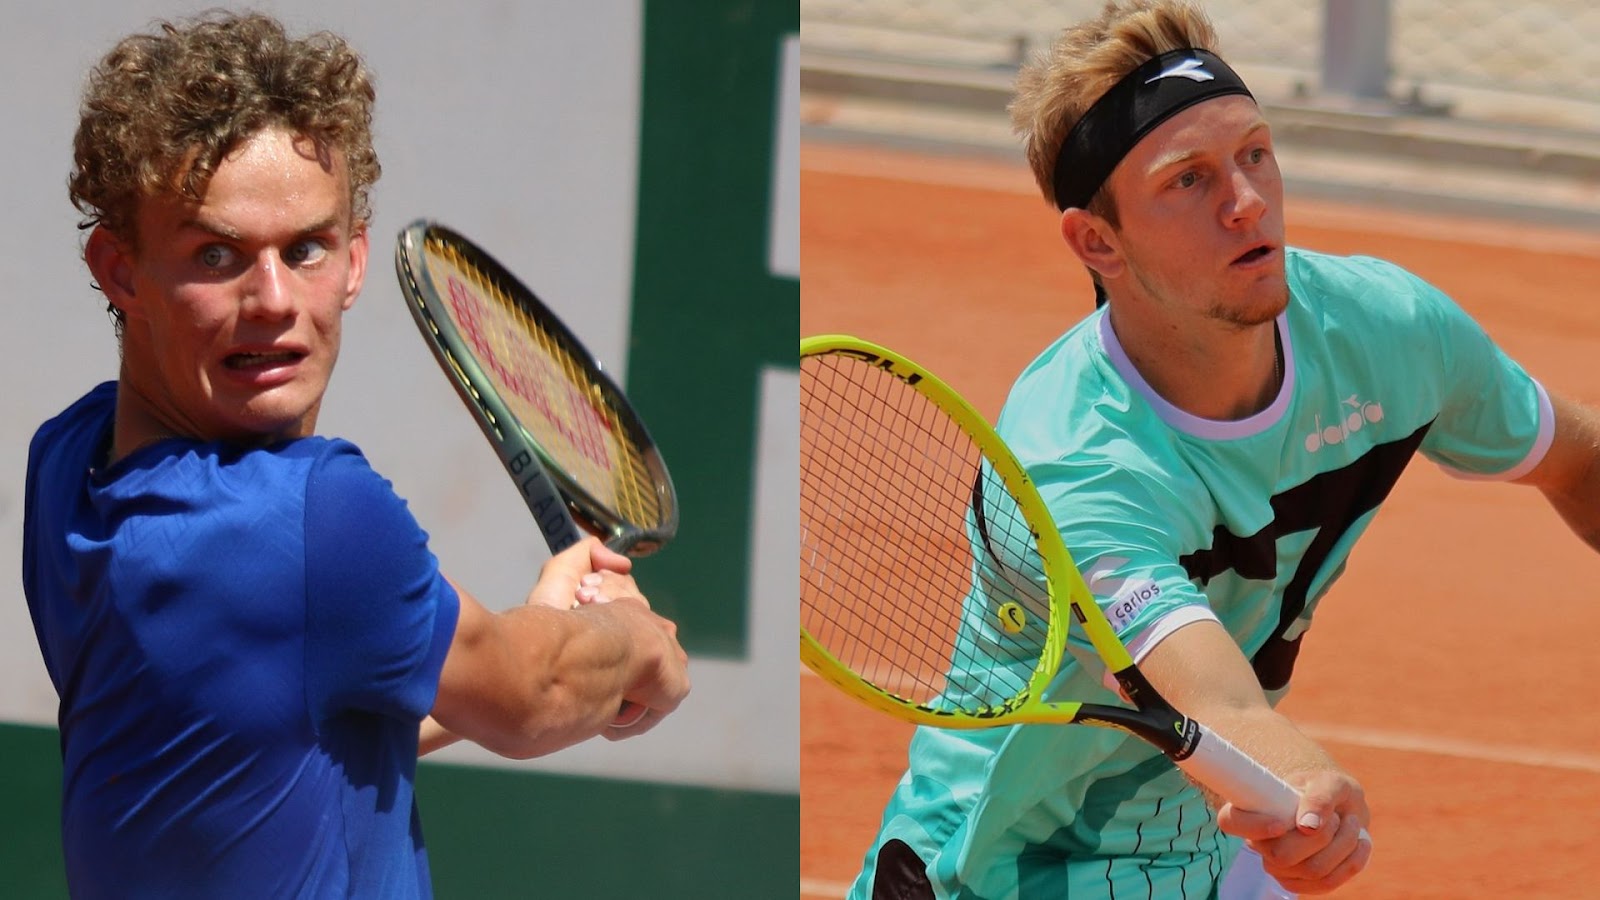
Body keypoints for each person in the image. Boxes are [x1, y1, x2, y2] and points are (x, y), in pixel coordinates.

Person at [848, 1, 1600, 898]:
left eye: (1254, 154)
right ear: (1098, 241)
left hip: (1197, 846)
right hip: (1006, 868)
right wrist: (1304, 781)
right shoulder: (1075, 461)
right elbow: (1216, 701)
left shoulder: (1388, 333)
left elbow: (1581, 460)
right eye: (1189, 180)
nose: (1247, 203)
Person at [20, 12, 690, 899]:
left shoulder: (68, 463)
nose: (273, 299)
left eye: (306, 249)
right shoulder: (314, 516)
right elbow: (533, 698)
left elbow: (278, 727)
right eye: (216, 254)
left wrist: (537, 634)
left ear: (355, 259)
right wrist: (632, 643)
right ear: (119, 269)